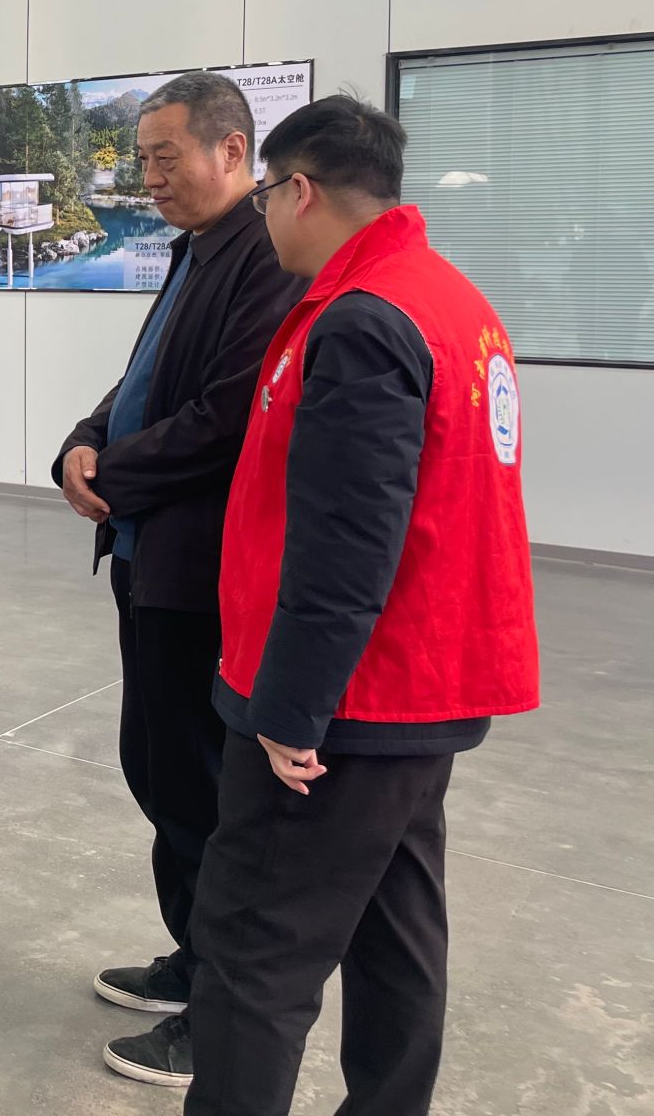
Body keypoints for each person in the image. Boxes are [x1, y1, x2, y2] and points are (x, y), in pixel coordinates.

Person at [184, 97, 540, 1116]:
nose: (260, 216)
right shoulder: (449, 300)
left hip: (351, 702)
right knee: (394, 935)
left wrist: (291, 711)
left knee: (252, 949)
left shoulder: (362, 319)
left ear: (298, 190)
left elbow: (346, 542)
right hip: (420, 691)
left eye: (264, 194)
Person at [51, 74, 305, 1088]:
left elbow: (226, 415)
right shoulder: (194, 249)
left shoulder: (262, 256)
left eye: (165, 157)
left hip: (200, 569)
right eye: (142, 159)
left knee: (201, 785)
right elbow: (148, 379)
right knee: (156, 766)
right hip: (147, 555)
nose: (148, 178)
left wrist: (111, 473)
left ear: (232, 152)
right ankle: (189, 956)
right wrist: (82, 439)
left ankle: (218, 1012)